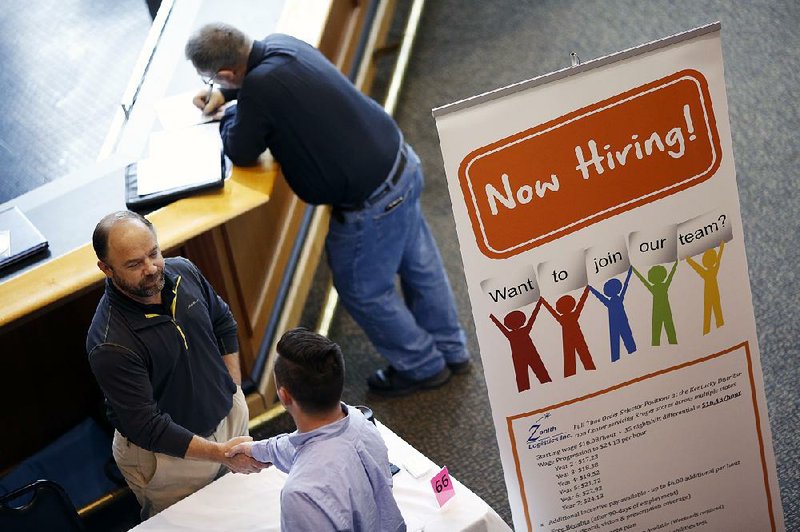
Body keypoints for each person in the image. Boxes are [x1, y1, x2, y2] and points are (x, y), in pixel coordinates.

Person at [184, 24, 470, 396]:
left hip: (372, 204)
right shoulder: (282, 45)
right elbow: (266, 92)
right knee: (421, 267)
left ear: (226, 72)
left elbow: (240, 149)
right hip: (401, 166)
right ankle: (452, 349)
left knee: (364, 290)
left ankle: (422, 366)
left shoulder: (259, 89)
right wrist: (226, 94)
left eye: (212, 81)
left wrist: (228, 113)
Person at [86, 211, 268, 519]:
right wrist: (219, 454)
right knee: (192, 523)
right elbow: (148, 427)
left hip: (227, 419)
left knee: (245, 509)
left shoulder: (184, 271)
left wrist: (233, 389)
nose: (151, 268)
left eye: (153, 253)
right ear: (106, 268)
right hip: (168, 459)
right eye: (133, 264)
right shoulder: (109, 343)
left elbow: (223, 322)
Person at [227, 327, 406, 531]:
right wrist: (259, 450)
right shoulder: (360, 420)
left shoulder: (300, 495)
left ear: (284, 396)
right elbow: (304, 446)